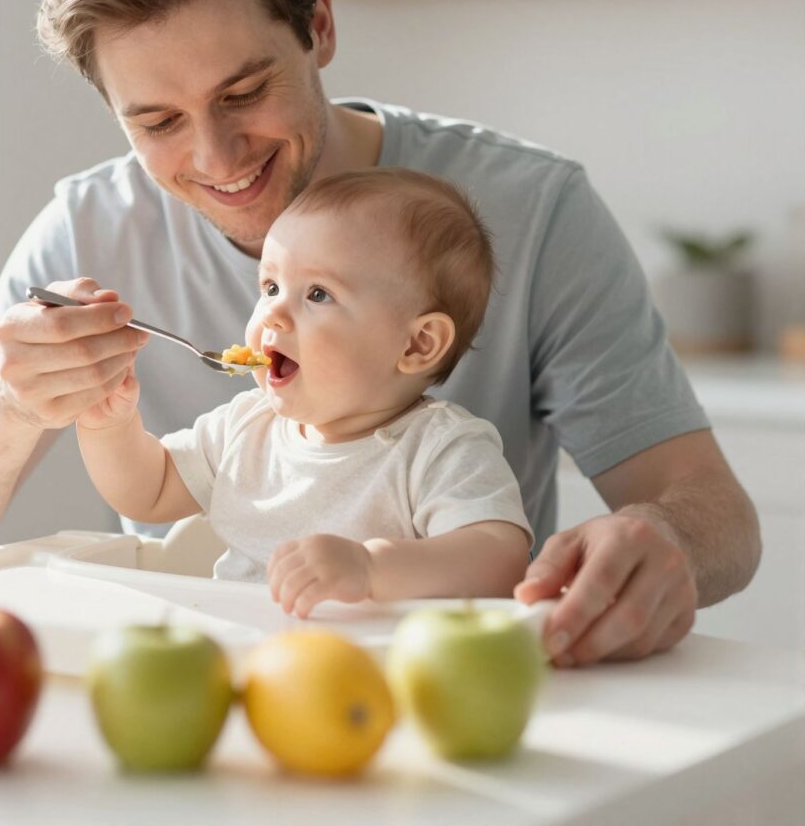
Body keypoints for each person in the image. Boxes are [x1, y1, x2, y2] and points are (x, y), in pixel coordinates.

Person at [0, 0, 760, 667]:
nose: (219, 159)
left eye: (246, 92)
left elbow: (715, 515)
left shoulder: (532, 210)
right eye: (158, 123)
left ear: (320, 24)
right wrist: (13, 394)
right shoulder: (87, 229)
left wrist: (665, 541)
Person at [76, 167, 534, 618]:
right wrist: (109, 426)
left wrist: (371, 568)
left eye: (317, 294)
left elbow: (499, 559)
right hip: (243, 658)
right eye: (271, 286)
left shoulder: (439, 448)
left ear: (418, 344)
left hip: (376, 674)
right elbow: (149, 492)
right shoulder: (246, 427)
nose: (273, 312)